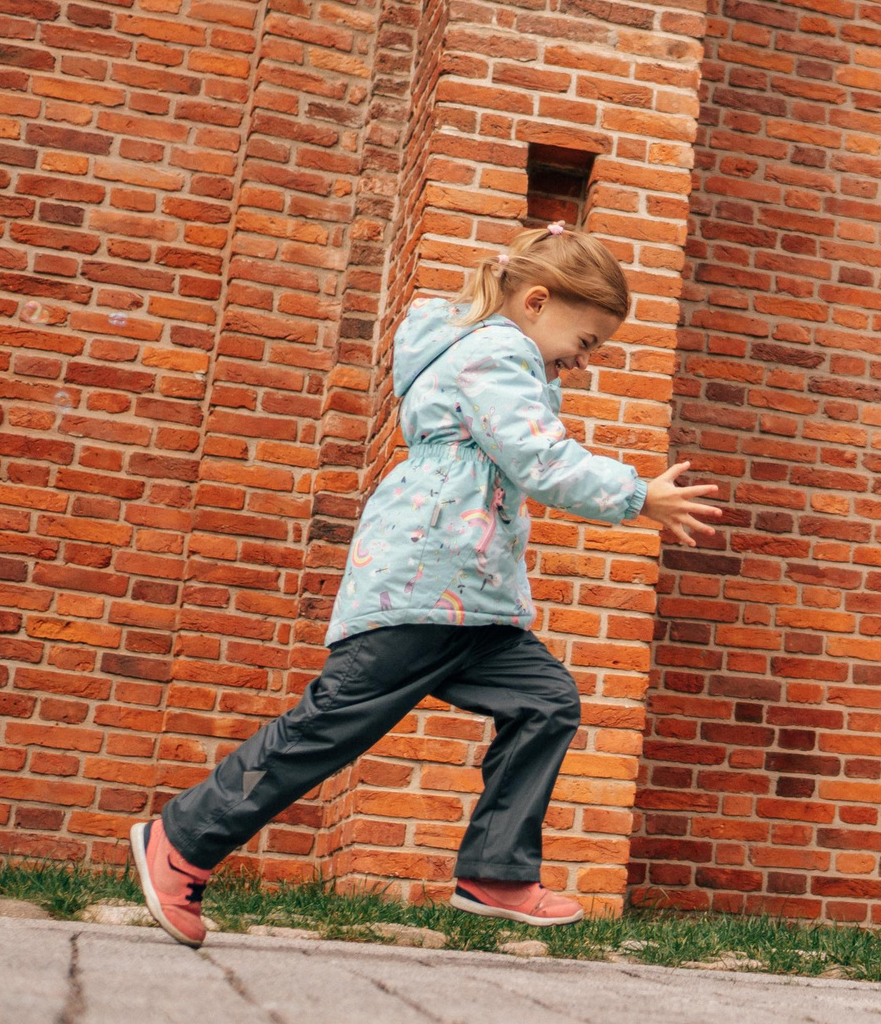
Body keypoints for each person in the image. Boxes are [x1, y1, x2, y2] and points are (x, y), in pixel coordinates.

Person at [129, 224, 721, 945]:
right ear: (536, 301)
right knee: (326, 729)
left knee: (544, 699)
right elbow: (538, 456)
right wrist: (637, 495)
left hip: (470, 601)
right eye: (586, 341)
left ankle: (496, 871)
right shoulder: (497, 353)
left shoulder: (494, 355)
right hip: (424, 582)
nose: (582, 361)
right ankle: (183, 837)